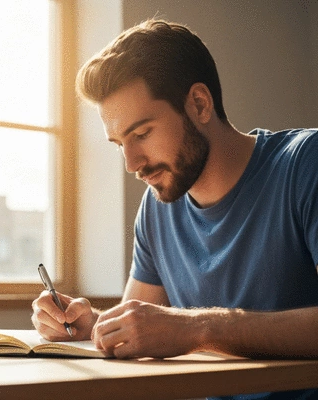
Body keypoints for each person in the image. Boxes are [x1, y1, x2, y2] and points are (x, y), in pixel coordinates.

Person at [31, 19, 318, 399]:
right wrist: (93, 325)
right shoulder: (156, 208)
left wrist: (195, 327)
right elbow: (149, 325)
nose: (131, 163)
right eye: (119, 143)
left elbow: (178, 327)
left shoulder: (304, 165)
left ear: (199, 104)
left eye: (141, 134)